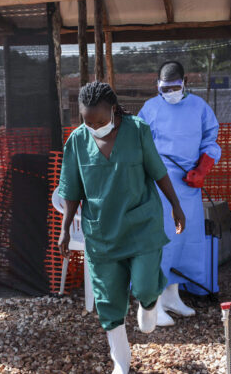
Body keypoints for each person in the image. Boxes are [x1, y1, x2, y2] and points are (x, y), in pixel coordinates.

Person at [58, 81, 185, 374]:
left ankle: (150, 301)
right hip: (101, 232)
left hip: (141, 225)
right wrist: (65, 229)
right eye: (87, 121)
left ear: (114, 110)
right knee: (108, 300)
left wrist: (176, 205)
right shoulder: (77, 141)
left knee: (143, 285)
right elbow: (72, 190)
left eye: (100, 121)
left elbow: (158, 171)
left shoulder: (137, 130)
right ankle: (121, 361)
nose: (93, 126)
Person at [138, 60, 221, 327]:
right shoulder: (150, 109)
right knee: (162, 240)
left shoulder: (199, 107)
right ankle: (155, 303)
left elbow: (211, 138)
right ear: (157, 85)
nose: (170, 92)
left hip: (189, 182)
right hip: (160, 183)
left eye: (175, 87)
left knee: (186, 239)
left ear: (185, 82)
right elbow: (138, 144)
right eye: (165, 88)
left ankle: (173, 296)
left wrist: (204, 166)